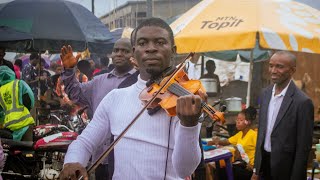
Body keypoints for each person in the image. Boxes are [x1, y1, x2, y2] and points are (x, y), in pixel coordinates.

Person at [60, 17, 203, 180]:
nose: (151, 49)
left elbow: (185, 170)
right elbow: (85, 142)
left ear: (173, 50)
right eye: (142, 43)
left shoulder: (183, 101)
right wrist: (72, 161)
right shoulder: (115, 98)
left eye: (160, 42)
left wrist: (189, 125)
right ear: (134, 53)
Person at [60, 38, 138, 180]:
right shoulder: (98, 81)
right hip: (101, 160)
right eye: (116, 50)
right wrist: (69, 70)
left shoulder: (141, 82)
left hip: (130, 161)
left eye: (125, 51)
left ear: (133, 54)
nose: (119, 54)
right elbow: (75, 94)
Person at [251, 51, 314, 180]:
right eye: (271, 65)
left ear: (292, 70)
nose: (273, 70)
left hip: (286, 169)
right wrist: (256, 169)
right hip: (264, 164)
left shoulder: (302, 102)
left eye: (279, 66)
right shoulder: (265, 94)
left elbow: (303, 147)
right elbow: (261, 133)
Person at [209, 106, 257, 180]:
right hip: (245, 164)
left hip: (253, 169)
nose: (237, 122)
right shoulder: (240, 134)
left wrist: (255, 168)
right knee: (221, 171)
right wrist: (214, 141)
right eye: (237, 119)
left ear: (248, 122)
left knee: (224, 173)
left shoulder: (253, 135)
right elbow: (227, 142)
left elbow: (261, 153)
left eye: (240, 120)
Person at [0, 66, 35, 141]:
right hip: (25, 123)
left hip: (9, 127)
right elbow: (30, 99)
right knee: (28, 150)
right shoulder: (19, 83)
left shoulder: (0, 91)